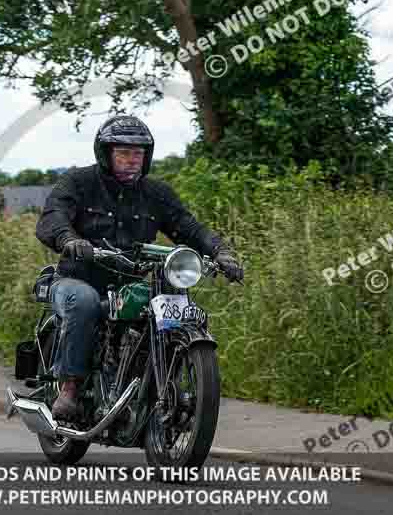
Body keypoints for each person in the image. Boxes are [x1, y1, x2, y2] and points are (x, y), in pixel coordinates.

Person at [35, 114, 244, 420]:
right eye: (123, 153)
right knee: (85, 303)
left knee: (162, 306)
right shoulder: (78, 183)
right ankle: (69, 388)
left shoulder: (156, 193)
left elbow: (188, 227)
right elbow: (52, 217)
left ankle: (152, 385)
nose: (132, 160)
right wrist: (69, 239)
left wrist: (221, 252)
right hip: (78, 278)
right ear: (106, 155)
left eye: (138, 154)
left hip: (127, 281)